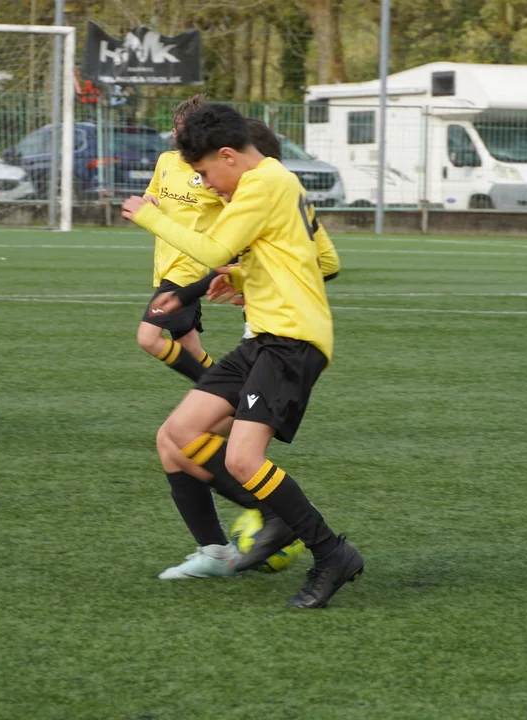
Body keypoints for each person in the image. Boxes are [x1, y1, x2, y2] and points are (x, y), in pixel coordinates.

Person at [122, 105, 363, 609]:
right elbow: (315, 258)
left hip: (291, 339)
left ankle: (330, 552)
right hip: (267, 337)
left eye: (206, 173)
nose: (208, 185)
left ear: (228, 155)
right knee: (178, 434)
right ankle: (261, 523)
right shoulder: (276, 182)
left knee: (242, 458)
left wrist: (149, 216)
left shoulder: (263, 183)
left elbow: (213, 250)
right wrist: (247, 276)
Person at [136, 94, 223, 383]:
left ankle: (219, 394)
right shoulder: (165, 161)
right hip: (164, 265)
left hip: (188, 270)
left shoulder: (213, 172)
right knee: (191, 349)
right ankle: (227, 391)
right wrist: (149, 202)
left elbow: (238, 213)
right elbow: (153, 195)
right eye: (182, 134)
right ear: (174, 133)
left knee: (148, 338)